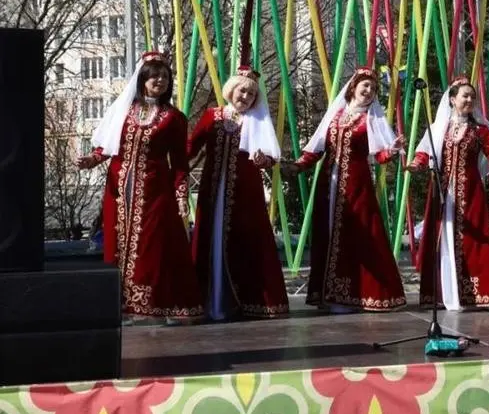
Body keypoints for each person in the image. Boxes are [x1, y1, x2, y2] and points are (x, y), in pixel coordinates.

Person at [76, 51, 204, 325]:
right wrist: (91, 160)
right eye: (154, 76)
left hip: (155, 190)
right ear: (142, 79)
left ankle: (151, 306)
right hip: (119, 190)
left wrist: (181, 195)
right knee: (117, 244)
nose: (160, 80)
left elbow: (179, 162)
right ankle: (122, 306)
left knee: (152, 246)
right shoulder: (123, 111)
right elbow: (107, 145)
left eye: (165, 76)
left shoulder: (174, 118)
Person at [407, 77, 489, 311]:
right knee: (442, 239)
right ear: (452, 99)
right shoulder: (438, 129)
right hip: (443, 192)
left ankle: (480, 294)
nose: (469, 100)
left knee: (475, 242)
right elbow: (424, 153)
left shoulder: (479, 130)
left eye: (472, 97)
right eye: (465, 96)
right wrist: (416, 165)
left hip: (470, 192)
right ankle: (441, 294)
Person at [287, 67, 407, 313]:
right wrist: (297, 166)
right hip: (328, 184)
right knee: (327, 234)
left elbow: (380, 155)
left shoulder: (371, 119)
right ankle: (327, 294)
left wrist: (392, 151)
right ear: (353, 87)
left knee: (357, 236)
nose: (369, 91)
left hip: (356, 185)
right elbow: (316, 148)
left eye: (373, 88)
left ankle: (355, 294)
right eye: (365, 86)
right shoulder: (335, 114)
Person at [187, 65, 289, 321]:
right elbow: (191, 146)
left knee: (245, 241)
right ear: (231, 90)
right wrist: (172, 167)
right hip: (212, 190)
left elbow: (270, 157)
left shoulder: (257, 121)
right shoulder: (213, 116)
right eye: (242, 91)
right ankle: (211, 301)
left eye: (251, 94)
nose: (245, 97)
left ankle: (244, 301)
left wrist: (263, 159)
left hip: (245, 194)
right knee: (210, 239)